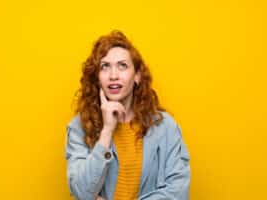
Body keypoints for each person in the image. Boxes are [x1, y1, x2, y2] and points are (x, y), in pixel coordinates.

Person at [65, 30, 191, 200]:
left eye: (122, 65)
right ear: (96, 78)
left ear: (137, 76)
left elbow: (178, 192)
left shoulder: (165, 127)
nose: (113, 76)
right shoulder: (79, 127)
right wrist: (107, 131)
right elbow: (82, 192)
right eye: (105, 66)